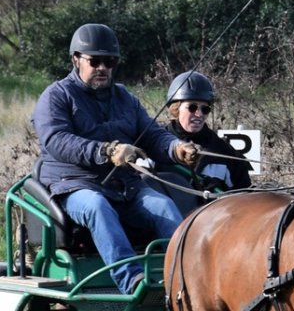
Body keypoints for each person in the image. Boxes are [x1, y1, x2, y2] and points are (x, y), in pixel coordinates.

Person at [31, 24, 201, 295]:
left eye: (109, 62)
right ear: (76, 59)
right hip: (74, 185)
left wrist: (176, 148)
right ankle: (132, 281)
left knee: (164, 206)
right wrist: (107, 151)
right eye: (94, 61)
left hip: (125, 187)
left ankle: (186, 280)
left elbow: (152, 135)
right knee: (97, 207)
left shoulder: (125, 98)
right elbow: (57, 140)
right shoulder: (56, 96)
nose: (102, 68)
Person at [163, 71, 252, 193]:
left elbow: (244, 197)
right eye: (192, 107)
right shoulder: (155, 145)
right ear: (176, 108)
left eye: (205, 109)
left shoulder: (226, 153)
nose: (199, 114)